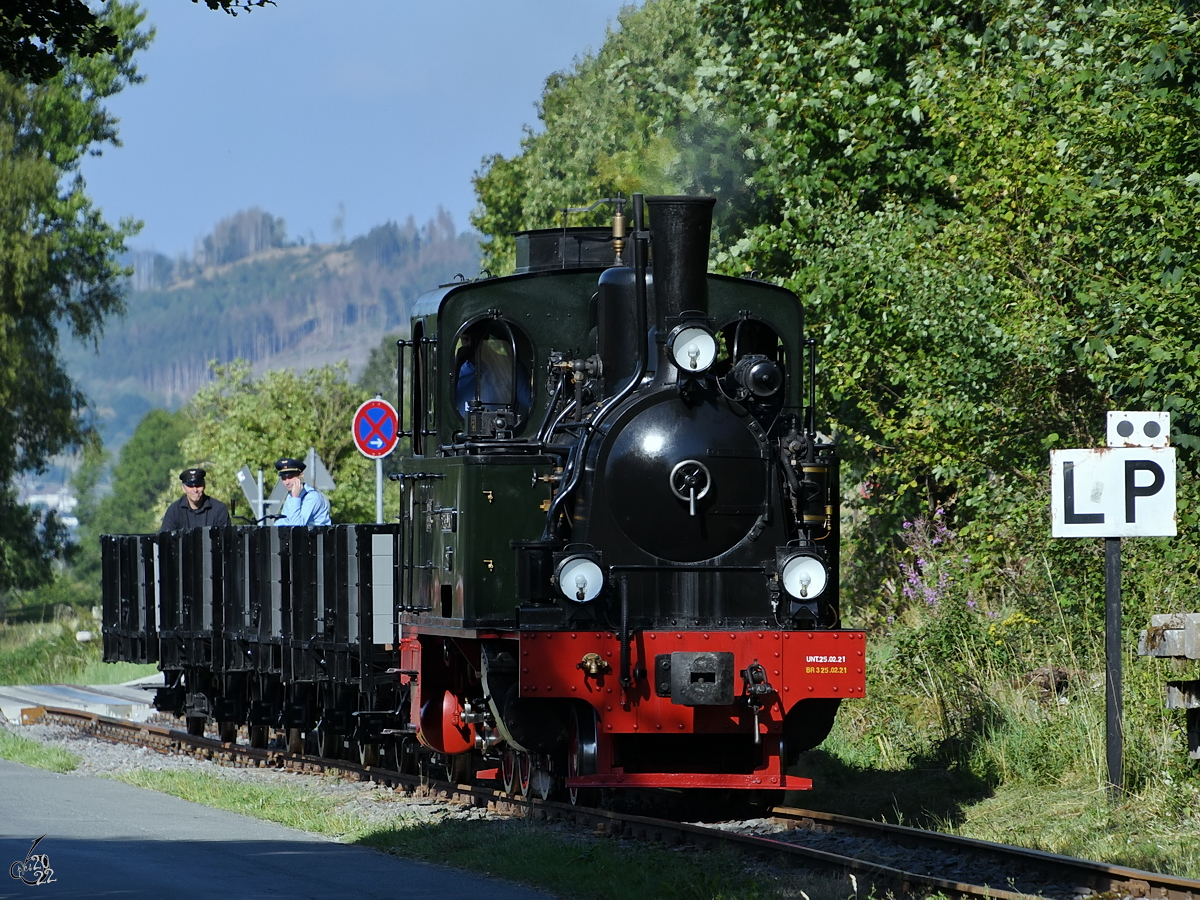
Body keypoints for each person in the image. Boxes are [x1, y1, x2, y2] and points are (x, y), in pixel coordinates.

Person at [160, 468, 230, 531]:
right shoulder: (174, 511)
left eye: (198, 485)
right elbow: (166, 540)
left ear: (204, 486)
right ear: (183, 488)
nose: (195, 490)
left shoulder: (219, 509)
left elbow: (226, 539)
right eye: (190, 486)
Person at [274, 457, 332, 526]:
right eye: (284, 478)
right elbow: (283, 522)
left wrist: (295, 498)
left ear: (301, 476)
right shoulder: (291, 496)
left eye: (290, 477)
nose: (287, 482)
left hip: (316, 536)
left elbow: (297, 527)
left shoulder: (312, 497)